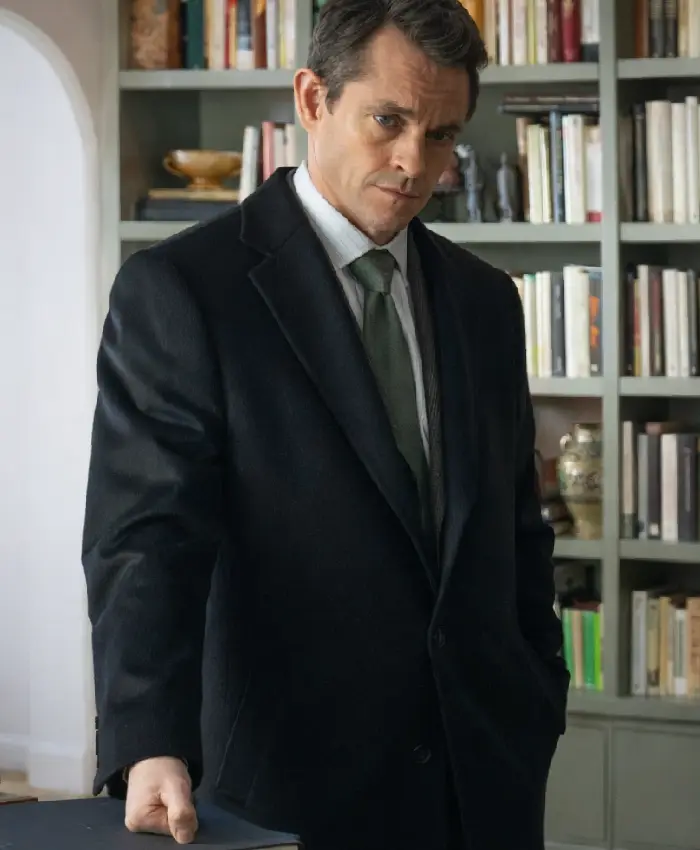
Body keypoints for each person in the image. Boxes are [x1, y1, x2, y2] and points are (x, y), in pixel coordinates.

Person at [81, 0, 570, 848]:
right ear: (313, 99)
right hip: (284, 788)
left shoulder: (487, 301)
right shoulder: (184, 290)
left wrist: (538, 692)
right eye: (389, 121)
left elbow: (516, 530)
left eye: (443, 135)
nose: (415, 163)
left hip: (483, 781)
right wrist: (150, 739)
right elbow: (147, 538)